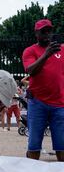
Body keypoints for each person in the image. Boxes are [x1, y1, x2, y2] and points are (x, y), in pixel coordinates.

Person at [22, 19, 64, 162]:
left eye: (49, 31)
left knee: (62, 147)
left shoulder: (62, 50)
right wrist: (46, 54)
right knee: (34, 147)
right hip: (37, 103)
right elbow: (30, 70)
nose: (47, 34)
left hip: (59, 104)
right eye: (43, 31)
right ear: (36, 33)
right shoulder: (30, 51)